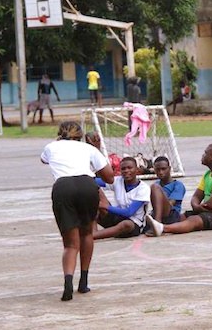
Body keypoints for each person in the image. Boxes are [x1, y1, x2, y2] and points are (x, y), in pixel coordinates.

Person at [40, 121, 114, 301]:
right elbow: (110, 177)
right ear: (81, 135)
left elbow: (43, 159)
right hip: (87, 185)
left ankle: (68, 282)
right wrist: (96, 151)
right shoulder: (88, 149)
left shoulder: (51, 147)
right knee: (87, 233)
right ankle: (84, 281)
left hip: (63, 187)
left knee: (70, 244)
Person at [146, 144, 212, 236]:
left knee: (194, 220)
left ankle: (163, 228)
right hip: (209, 209)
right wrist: (196, 205)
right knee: (182, 217)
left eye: (205, 153)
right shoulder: (208, 174)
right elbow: (196, 196)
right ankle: (158, 224)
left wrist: (199, 207)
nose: (202, 156)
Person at [93, 157, 150, 240]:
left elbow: (129, 212)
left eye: (130, 168)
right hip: (117, 218)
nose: (126, 171)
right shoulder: (117, 181)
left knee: (126, 225)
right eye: (123, 169)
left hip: (134, 224)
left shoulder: (143, 188)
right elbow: (94, 181)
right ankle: (92, 229)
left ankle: (92, 236)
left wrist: (106, 206)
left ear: (137, 170)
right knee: (93, 188)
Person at [148, 156, 186, 225]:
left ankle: (157, 222)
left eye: (163, 169)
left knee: (155, 187)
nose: (161, 172)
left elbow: (171, 204)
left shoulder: (178, 185)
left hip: (172, 214)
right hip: (156, 213)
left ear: (169, 169)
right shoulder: (156, 184)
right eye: (158, 170)